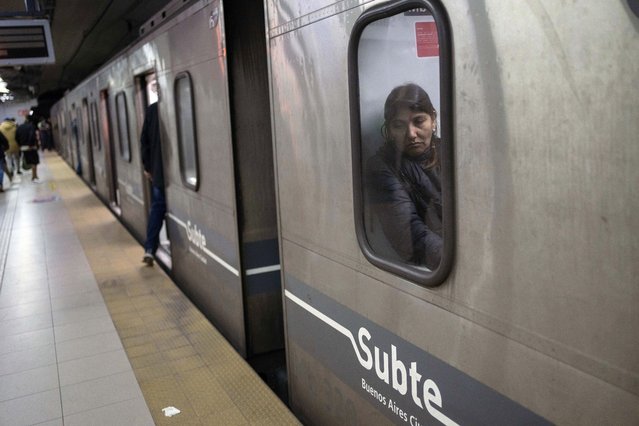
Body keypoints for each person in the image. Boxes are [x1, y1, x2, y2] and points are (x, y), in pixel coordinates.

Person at [366, 83, 443, 269]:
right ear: (389, 131)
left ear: (433, 120)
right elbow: (411, 235)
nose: (411, 134)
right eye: (399, 125)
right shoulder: (380, 168)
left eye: (418, 121)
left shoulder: (452, 149)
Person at [140, 101, 165, 266]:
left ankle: (150, 249)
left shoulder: (152, 110)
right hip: (178, 174)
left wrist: (149, 168)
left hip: (159, 173)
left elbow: (144, 142)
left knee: (157, 209)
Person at [16, 115, 40, 182]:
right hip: (31, 146)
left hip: (23, 147)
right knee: (34, 161)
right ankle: (34, 175)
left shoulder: (19, 127)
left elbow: (16, 137)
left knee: (30, 161)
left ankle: (34, 176)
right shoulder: (31, 126)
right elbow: (32, 135)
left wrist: (20, 145)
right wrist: (31, 145)